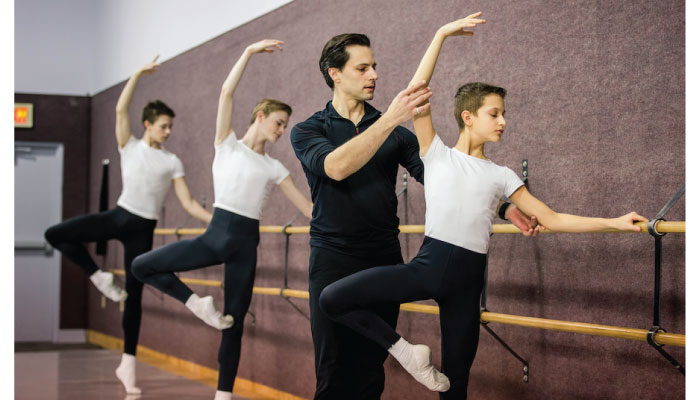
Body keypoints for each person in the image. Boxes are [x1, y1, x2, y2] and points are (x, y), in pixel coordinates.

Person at [318, 12, 648, 399]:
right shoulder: (436, 154)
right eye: (495, 113)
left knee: (456, 387)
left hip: (467, 287)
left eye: (504, 114)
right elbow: (417, 89)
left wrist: (616, 222)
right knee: (331, 298)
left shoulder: (503, 175)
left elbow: (553, 218)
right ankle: (405, 352)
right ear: (468, 117)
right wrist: (441, 34)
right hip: (428, 268)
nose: (503, 121)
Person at [290, 32, 541, 400]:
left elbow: (444, 180)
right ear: (335, 73)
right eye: (362, 68)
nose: (373, 74)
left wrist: (506, 208)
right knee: (332, 372)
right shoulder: (309, 130)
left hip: (382, 256)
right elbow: (337, 166)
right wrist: (391, 118)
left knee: (370, 372)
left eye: (374, 66)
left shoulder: (398, 136)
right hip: (332, 258)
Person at [132, 39, 312, 400]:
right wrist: (247, 52)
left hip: (246, 246)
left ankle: (223, 395)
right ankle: (196, 304)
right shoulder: (226, 145)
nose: (281, 131)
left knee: (233, 325)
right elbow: (226, 92)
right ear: (260, 116)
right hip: (215, 236)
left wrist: (337, 222)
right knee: (141, 266)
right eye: (278, 123)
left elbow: (306, 207)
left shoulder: (274, 167)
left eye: (284, 126)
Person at [44, 56, 213, 395]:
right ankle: (98, 276)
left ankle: (128, 364)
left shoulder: (172, 160)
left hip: (142, 228)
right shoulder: (130, 146)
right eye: (164, 125)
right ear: (148, 124)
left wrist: (217, 219)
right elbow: (121, 111)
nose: (168, 132)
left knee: (134, 296)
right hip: (119, 216)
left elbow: (188, 202)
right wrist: (136, 75)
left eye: (170, 127)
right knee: (56, 234)